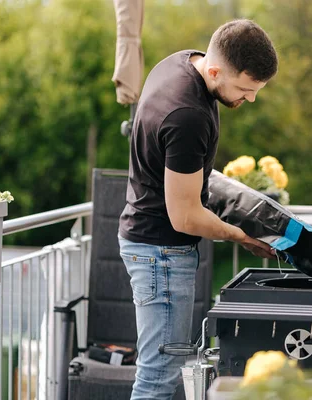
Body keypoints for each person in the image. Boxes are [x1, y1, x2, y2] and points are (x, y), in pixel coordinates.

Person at [118, 19, 278, 400]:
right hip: (162, 254)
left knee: (159, 372)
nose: (249, 99)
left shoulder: (181, 62)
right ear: (216, 69)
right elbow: (185, 216)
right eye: (244, 89)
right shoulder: (188, 114)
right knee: (157, 378)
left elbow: (186, 173)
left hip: (152, 247)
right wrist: (243, 237)